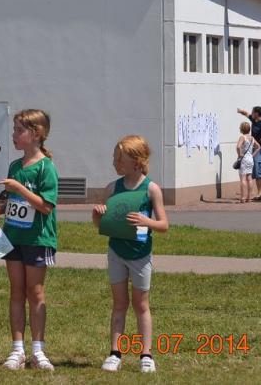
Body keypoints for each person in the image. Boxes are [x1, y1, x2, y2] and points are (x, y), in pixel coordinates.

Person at [0, 110, 59, 371]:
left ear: (36, 134)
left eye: (19, 130)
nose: (13, 135)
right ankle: (17, 350)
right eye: (14, 130)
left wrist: (20, 189)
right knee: (16, 291)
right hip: (13, 236)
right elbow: (14, 201)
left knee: (35, 292)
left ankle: (38, 351)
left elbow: (46, 206)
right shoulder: (15, 166)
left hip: (38, 238)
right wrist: (0, 209)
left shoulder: (46, 168)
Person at [92, 135, 168, 373]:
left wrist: (147, 222)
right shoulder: (112, 188)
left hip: (141, 255)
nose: (115, 163)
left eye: (119, 159)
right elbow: (102, 224)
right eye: (115, 158)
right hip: (116, 253)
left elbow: (163, 224)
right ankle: (115, 353)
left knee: (141, 304)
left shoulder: (151, 189)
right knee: (119, 303)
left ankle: (146, 355)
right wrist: (97, 215)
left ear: (137, 161)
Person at [236, 106, 261, 200]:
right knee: (256, 173)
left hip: (260, 150)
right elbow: (246, 113)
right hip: (254, 150)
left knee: (260, 173)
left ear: (257, 114)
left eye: (253, 112)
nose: (251, 113)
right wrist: (240, 111)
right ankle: (260, 194)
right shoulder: (253, 119)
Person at [236, 122, 260, 203]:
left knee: (243, 178)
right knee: (249, 178)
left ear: (242, 129)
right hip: (250, 159)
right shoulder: (252, 138)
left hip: (244, 159)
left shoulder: (242, 137)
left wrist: (239, 155)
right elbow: (258, 147)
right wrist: (252, 155)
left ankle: (243, 197)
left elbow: (238, 147)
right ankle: (249, 198)